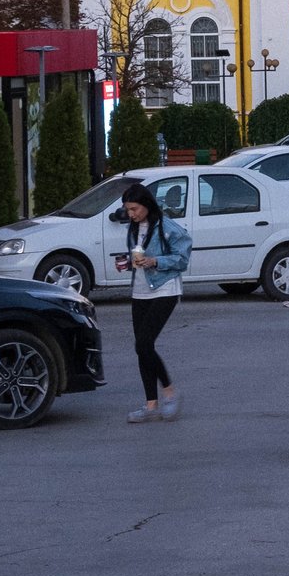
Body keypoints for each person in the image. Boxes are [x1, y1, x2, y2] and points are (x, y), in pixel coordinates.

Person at [120, 180, 191, 422]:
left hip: (164, 288)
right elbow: (136, 254)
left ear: (147, 205)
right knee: (142, 348)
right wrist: (127, 262)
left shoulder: (166, 226)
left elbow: (182, 258)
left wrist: (155, 261)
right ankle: (151, 405)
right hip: (140, 290)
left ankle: (170, 393)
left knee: (143, 344)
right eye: (128, 210)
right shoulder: (133, 228)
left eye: (134, 209)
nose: (131, 214)